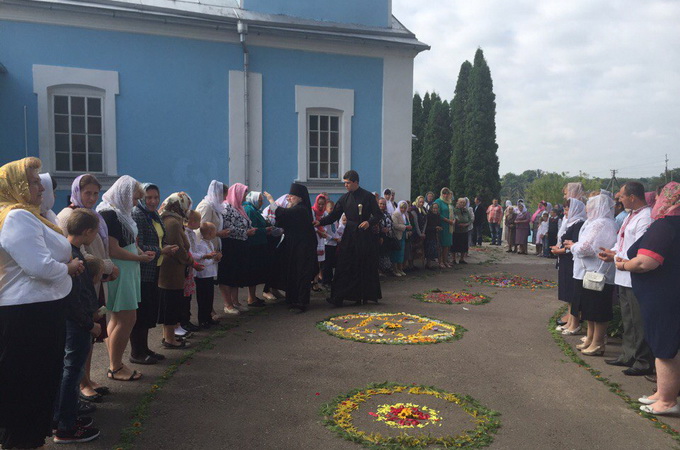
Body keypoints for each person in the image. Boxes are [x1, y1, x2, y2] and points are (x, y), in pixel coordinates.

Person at [0, 157, 82, 449]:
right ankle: (21, 441)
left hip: (39, 310)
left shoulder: (31, 215)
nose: (39, 187)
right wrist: (70, 268)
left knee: (39, 382)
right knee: (27, 386)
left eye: (37, 181)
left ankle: (28, 439)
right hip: (28, 315)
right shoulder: (16, 217)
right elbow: (40, 267)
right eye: (33, 181)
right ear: (17, 185)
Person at [616, 182, 680, 415]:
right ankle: (663, 393)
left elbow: (646, 262)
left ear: (669, 200)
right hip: (670, 292)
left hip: (663, 295)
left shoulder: (666, 225)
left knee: (664, 348)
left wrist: (623, 264)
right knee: (667, 347)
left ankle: (667, 401)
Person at [57, 174, 117, 401]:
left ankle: (87, 378)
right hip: (82, 281)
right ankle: (81, 385)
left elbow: (99, 249)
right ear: (76, 192)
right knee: (82, 336)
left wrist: (104, 270)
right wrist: (106, 266)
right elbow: (77, 252)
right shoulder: (69, 216)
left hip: (94, 280)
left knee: (91, 336)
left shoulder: (94, 216)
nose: (92, 197)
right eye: (87, 193)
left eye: (95, 193)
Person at [97, 176, 154, 382]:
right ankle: (115, 366)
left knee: (119, 318)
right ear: (124, 195)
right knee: (127, 318)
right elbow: (113, 249)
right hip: (121, 269)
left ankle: (116, 362)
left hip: (128, 268)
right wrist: (138, 257)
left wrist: (141, 252)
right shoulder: (110, 214)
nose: (136, 203)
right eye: (135, 198)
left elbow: (128, 241)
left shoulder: (121, 213)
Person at [53, 209, 102, 444]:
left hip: (78, 321)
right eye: (95, 232)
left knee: (72, 370)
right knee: (72, 371)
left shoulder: (72, 253)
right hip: (77, 324)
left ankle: (67, 416)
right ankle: (65, 426)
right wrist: (89, 324)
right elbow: (73, 299)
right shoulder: (72, 259)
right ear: (87, 231)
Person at [597, 181, 654, 375]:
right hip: (623, 273)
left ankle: (642, 360)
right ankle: (628, 354)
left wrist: (617, 256)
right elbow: (622, 242)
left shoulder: (645, 217)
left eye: (621, 196)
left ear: (632, 197)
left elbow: (640, 248)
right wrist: (611, 252)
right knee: (628, 319)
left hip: (634, 275)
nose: (619, 199)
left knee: (638, 321)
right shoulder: (631, 216)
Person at [318, 170, 382, 305]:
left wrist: (369, 222)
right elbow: (334, 216)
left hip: (364, 235)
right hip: (349, 235)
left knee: (363, 264)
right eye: (345, 183)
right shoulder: (344, 198)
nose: (345, 185)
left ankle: (363, 295)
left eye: (347, 183)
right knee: (343, 264)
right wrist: (320, 222)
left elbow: (378, 215)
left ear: (355, 182)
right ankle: (338, 297)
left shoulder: (368, 197)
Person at [564, 194, 617, 356]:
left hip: (597, 272)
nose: (588, 211)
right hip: (588, 272)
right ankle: (591, 337)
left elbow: (586, 248)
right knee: (589, 309)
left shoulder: (601, 224)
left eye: (591, 208)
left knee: (597, 309)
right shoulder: (596, 223)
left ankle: (598, 341)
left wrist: (573, 246)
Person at [131, 183, 178, 365]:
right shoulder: (138, 214)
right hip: (143, 269)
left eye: (156, 197)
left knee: (149, 311)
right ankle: (137, 352)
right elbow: (139, 246)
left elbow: (160, 237)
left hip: (155, 267)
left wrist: (164, 247)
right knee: (141, 312)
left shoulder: (154, 215)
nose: (153, 201)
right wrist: (161, 250)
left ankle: (145, 348)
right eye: (148, 198)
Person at [263, 184, 317, 312]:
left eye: (292, 197)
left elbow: (282, 213)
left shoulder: (301, 209)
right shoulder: (296, 208)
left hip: (302, 248)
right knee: (292, 272)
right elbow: (282, 220)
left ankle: (301, 302)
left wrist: (271, 200)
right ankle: (293, 299)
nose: (289, 199)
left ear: (300, 198)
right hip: (294, 246)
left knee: (301, 273)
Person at [157, 192, 195, 349]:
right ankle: (170, 339)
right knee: (171, 304)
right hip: (171, 270)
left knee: (170, 303)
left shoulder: (171, 220)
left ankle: (169, 336)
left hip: (171, 269)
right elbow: (177, 248)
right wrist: (189, 259)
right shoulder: (172, 222)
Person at [218, 183, 257, 315]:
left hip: (240, 245)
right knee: (228, 275)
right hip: (230, 245)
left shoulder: (239, 208)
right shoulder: (226, 207)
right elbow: (228, 227)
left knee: (236, 275)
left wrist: (248, 230)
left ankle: (235, 302)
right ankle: (227, 304)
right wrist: (246, 232)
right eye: (244, 193)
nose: (245, 196)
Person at [552, 199, 587, 334]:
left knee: (573, 293)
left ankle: (575, 322)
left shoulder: (579, 223)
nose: (565, 212)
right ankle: (570, 321)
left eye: (567, 210)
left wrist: (561, 250)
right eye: (565, 210)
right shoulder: (570, 222)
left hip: (571, 261)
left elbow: (575, 243)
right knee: (567, 292)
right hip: (565, 260)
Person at [243, 191, 271, 306]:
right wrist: (266, 230)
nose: (261, 202)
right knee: (253, 272)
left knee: (256, 272)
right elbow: (252, 228)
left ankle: (253, 296)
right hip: (253, 245)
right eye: (259, 200)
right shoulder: (249, 210)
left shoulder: (255, 210)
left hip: (259, 243)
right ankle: (251, 297)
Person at [180, 210, 204, 334]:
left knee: (188, 296)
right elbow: (189, 251)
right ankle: (184, 321)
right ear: (192, 221)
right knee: (185, 297)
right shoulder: (185, 233)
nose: (200, 224)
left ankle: (187, 320)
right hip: (189, 266)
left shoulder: (193, 234)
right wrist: (201, 256)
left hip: (192, 266)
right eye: (198, 221)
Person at [193, 222, 221, 327]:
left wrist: (216, 258)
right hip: (203, 275)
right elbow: (203, 261)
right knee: (203, 298)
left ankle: (208, 317)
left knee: (209, 297)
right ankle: (203, 319)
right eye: (214, 231)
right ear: (209, 233)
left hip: (210, 274)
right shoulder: (201, 245)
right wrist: (214, 259)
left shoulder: (210, 243)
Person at [321, 200, 341, 286]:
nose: (332, 210)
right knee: (327, 264)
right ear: (326, 208)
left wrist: (338, 238)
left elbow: (335, 231)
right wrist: (333, 238)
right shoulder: (325, 219)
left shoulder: (334, 220)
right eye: (331, 208)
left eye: (334, 209)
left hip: (333, 244)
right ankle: (325, 281)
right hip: (327, 243)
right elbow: (325, 232)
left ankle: (330, 279)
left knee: (331, 263)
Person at [390, 200, 412, 276]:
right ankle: (395, 270)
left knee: (401, 253)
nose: (403, 209)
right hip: (397, 235)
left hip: (404, 235)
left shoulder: (406, 215)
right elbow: (395, 225)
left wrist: (409, 228)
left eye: (404, 208)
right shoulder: (396, 214)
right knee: (396, 253)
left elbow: (408, 223)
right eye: (401, 208)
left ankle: (400, 268)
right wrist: (405, 227)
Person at [311, 194, 328, 290]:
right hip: (315, 237)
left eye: (323, 204)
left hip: (321, 239)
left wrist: (324, 232)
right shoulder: (312, 211)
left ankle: (316, 281)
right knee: (314, 261)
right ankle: (313, 281)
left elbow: (327, 223)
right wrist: (320, 231)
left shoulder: (324, 213)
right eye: (319, 204)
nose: (321, 206)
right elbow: (311, 225)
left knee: (320, 261)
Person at [434, 188, 455, 267]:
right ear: (441, 194)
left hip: (449, 226)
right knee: (441, 244)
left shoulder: (449, 202)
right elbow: (438, 213)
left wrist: (453, 220)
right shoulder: (438, 201)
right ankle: (440, 261)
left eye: (447, 193)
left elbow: (452, 212)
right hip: (442, 225)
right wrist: (448, 220)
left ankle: (445, 260)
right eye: (444, 193)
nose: (445, 195)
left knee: (447, 244)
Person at [377, 198, 395, 275]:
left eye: (384, 204)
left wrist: (388, 229)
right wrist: (381, 230)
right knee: (379, 254)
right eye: (381, 204)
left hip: (387, 236)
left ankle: (386, 269)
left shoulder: (387, 214)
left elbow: (391, 223)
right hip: (378, 237)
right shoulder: (375, 213)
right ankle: (379, 270)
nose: (382, 205)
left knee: (386, 253)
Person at [410, 196, 427, 268]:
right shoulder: (414, 210)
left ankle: (415, 264)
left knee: (418, 249)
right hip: (415, 232)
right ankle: (410, 264)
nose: (421, 203)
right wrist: (419, 233)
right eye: (420, 202)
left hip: (422, 232)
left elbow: (426, 221)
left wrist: (423, 232)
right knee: (413, 248)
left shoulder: (424, 210)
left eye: (423, 202)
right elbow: (416, 223)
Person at [452, 198, 471, 264]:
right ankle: (453, 259)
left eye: (463, 202)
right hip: (456, 230)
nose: (462, 204)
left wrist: (466, 224)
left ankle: (462, 259)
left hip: (464, 230)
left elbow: (470, 219)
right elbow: (453, 218)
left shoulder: (466, 210)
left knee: (464, 245)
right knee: (454, 245)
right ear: (458, 202)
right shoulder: (454, 210)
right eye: (461, 202)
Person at [424, 202, 442, 268]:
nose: (435, 210)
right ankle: (428, 263)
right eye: (434, 208)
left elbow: (439, 223)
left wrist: (439, 227)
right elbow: (426, 227)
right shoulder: (429, 215)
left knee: (435, 249)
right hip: (429, 234)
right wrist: (435, 228)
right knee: (429, 249)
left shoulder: (438, 215)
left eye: (436, 208)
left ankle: (434, 263)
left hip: (435, 234)